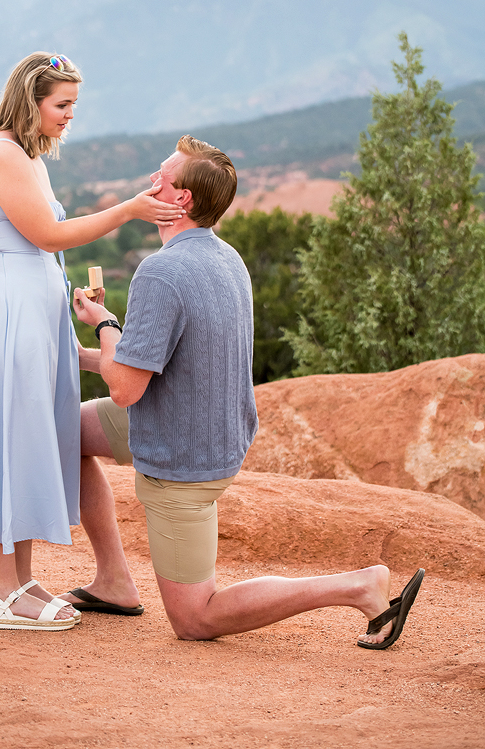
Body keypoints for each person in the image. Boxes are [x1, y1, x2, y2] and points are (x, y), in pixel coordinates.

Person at [65, 135, 424, 649]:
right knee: (68, 431)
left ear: (181, 199)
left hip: (183, 455)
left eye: (161, 176)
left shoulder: (161, 272)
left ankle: (360, 587)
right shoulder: (227, 259)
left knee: (195, 619)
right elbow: (151, 366)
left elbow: (124, 387)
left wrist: (104, 321)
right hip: (201, 424)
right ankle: (114, 581)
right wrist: (67, 356)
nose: (152, 181)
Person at [0, 52, 185, 632]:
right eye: (62, 104)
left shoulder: (25, 155)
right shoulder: (1, 152)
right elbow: (47, 233)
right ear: (32, 101)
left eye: (74, 103)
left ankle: (19, 580)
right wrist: (127, 210)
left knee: (28, 435)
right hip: (9, 314)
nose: (71, 115)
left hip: (30, 310)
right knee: (9, 433)